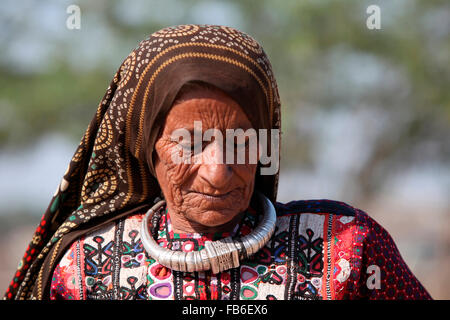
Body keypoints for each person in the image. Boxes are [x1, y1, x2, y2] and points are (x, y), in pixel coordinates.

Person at [5, 24, 431, 300]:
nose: (217, 172)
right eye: (190, 144)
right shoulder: (84, 273)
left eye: (242, 143)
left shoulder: (349, 249)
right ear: (147, 147)